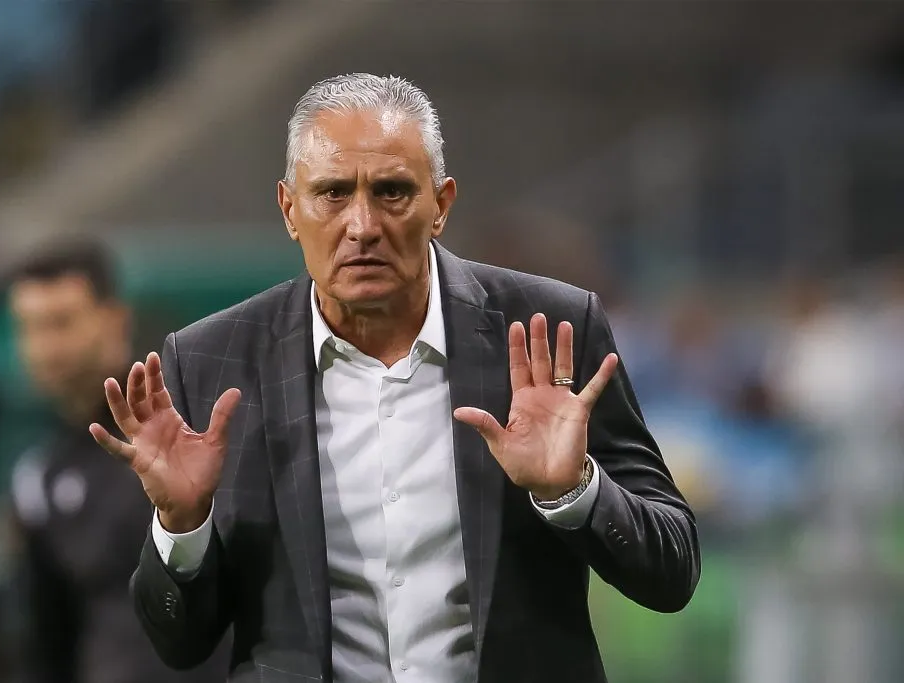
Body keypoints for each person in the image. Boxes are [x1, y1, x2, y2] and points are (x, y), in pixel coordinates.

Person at [91, 74, 701, 682]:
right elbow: (179, 643)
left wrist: (572, 491)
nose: (362, 226)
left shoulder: (551, 331)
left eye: (391, 192)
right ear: (288, 209)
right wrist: (183, 525)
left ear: (441, 205)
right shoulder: (210, 362)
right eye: (331, 193)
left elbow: (673, 572)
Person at [6, 240, 228, 683]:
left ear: (115, 320)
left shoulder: (195, 431)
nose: (45, 347)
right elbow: (48, 638)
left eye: (61, 323)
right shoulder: (38, 476)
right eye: (29, 327)